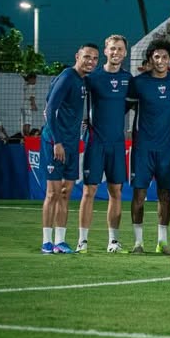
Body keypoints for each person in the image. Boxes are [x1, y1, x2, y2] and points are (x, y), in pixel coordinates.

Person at [40, 44, 99, 254]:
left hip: (73, 145)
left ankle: (60, 241)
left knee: (66, 193)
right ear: (77, 56)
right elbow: (49, 110)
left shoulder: (83, 80)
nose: (90, 61)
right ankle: (46, 242)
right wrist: (57, 141)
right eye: (87, 57)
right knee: (53, 193)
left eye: (94, 58)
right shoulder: (67, 76)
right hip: (55, 143)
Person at [128, 39, 170, 254]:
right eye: (157, 57)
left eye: (165, 57)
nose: (161, 61)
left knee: (165, 195)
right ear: (151, 58)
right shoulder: (139, 82)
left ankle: (162, 241)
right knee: (139, 196)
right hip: (143, 147)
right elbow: (124, 107)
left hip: (167, 148)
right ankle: (138, 242)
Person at [81, 35, 132, 253]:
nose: (116, 52)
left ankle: (113, 241)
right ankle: (82, 241)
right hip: (95, 142)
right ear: (105, 50)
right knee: (88, 191)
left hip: (117, 144)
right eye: (112, 49)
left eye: (120, 49)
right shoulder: (93, 77)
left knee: (116, 192)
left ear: (125, 53)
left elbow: (129, 105)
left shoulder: (129, 80)